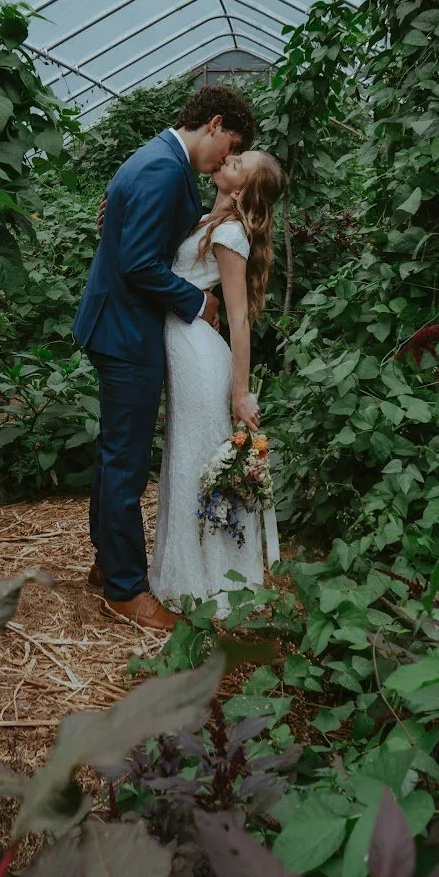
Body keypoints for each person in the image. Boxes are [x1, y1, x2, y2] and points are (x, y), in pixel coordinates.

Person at [73, 85, 256, 632]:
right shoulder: (161, 169)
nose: (226, 159)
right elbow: (138, 265)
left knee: (116, 453)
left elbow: (143, 233)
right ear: (215, 124)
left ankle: (110, 565)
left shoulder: (162, 162)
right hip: (125, 333)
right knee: (125, 461)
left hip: (120, 326)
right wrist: (197, 300)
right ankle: (127, 590)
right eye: (231, 146)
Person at [150, 145, 285, 612]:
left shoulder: (230, 234)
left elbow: (240, 317)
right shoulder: (212, 221)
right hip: (186, 347)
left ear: (243, 187)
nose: (229, 160)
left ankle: (211, 583)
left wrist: (240, 390)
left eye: (238, 164)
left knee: (196, 461)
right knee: (184, 458)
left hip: (200, 358)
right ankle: (186, 572)